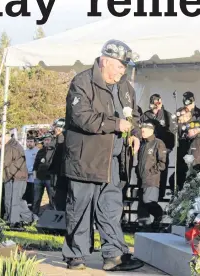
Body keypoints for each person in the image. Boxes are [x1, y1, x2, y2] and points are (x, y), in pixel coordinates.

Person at [61, 39, 144, 271]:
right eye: (119, 66)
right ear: (105, 61)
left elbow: (134, 115)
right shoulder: (82, 81)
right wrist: (115, 123)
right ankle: (76, 255)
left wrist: (135, 132)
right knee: (80, 208)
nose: (122, 71)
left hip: (114, 161)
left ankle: (114, 256)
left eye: (125, 67)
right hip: (85, 159)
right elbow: (81, 117)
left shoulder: (126, 86)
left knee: (111, 208)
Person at [140, 94, 177, 199]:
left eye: (157, 103)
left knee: (161, 170)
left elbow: (172, 133)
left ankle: (160, 194)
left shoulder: (167, 115)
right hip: (148, 149)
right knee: (147, 170)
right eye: (153, 104)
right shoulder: (145, 115)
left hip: (162, 148)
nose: (155, 107)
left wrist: (169, 148)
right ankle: (145, 191)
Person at [0, 130, 33, 229]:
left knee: (15, 200)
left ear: (5, 137)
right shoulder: (11, 146)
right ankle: (27, 218)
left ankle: (15, 222)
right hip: (11, 176)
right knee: (12, 200)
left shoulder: (10, 147)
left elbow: (4, 162)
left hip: (17, 177)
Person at [136, 120, 167, 229]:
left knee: (149, 202)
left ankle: (160, 215)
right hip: (141, 179)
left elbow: (162, 163)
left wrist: (151, 172)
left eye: (144, 130)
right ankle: (145, 228)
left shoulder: (158, 143)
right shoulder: (143, 144)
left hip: (152, 179)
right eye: (141, 130)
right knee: (142, 206)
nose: (142, 132)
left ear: (151, 131)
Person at [32, 133, 55, 217]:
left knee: (52, 198)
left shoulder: (54, 151)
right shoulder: (40, 151)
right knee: (36, 198)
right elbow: (35, 165)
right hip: (39, 178)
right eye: (45, 140)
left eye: (48, 140)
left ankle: (52, 216)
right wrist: (35, 177)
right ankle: (35, 215)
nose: (46, 142)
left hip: (49, 178)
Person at [49, 118, 67, 211]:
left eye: (55, 127)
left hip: (59, 174)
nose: (54, 130)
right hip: (56, 172)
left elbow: (58, 157)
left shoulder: (61, 139)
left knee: (58, 197)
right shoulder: (57, 139)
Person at [24, 136, 38, 209]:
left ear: (34, 142)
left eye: (31, 142)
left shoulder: (37, 151)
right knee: (26, 195)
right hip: (25, 177)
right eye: (28, 142)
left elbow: (37, 164)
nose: (29, 143)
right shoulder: (24, 152)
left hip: (34, 177)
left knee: (33, 194)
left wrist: (31, 171)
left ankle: (34, 209)